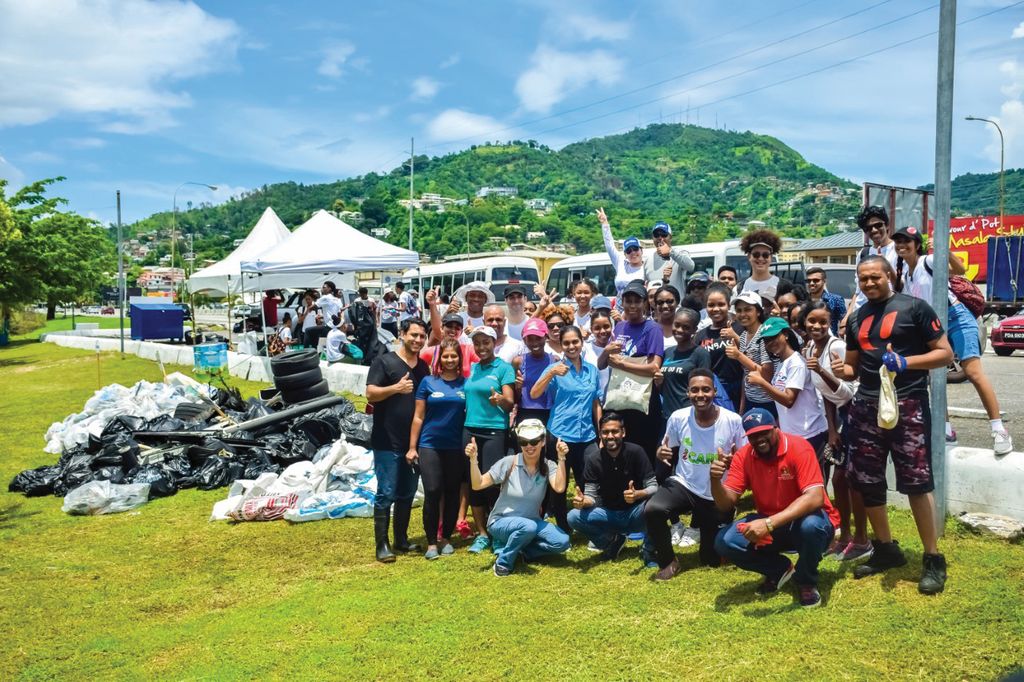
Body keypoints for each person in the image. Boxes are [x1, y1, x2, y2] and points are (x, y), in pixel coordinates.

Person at [833, 255, 953, 594]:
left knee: (916, 482)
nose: (869, 283)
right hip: (866, 406)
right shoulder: (857, 319)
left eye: (875, 276)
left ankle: (933, 557)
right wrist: (840, 370)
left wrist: (906, 361)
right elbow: (853, 368)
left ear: (889, 275)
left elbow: (945, 353)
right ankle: (886, 549)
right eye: (863, 278)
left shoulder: (915, 308)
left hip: (908, 403)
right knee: (868, 481)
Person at [892, 225, 1012, 454]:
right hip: (933, 329)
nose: (901, 245)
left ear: (917, 245)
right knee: (935, 379)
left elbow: (960, 270)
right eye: (898, 241)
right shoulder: (905, 274)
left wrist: (944, 250)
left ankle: (999, 430)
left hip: (957, 317)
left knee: (973, 372)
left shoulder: (928, 261)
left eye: (907, 241)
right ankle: (946, 431)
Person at [711, 408, 839, 607]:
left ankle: (806, 580)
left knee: (811, 527)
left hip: (806, 519)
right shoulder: (744, 456)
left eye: (764, 432)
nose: (759, 439)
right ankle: (779, 569)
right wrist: (715, 480)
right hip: (772, 522)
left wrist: (769, 523)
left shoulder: (800, 448)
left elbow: (815, 498)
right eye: (753, 436)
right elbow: (725, 504)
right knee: (725, 541)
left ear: (776, 428)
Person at [649, 370, 746, 580]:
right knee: (653, 509)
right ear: (688, 393)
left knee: (711, 560)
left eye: (705, 389)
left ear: (715, 391)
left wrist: (733, 462)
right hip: (685, 484)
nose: (700, 395)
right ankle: (668, 561)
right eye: (694, 390)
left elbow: (746, 457)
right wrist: (660, 452)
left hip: (717, 493)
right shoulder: (678, 417)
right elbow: (665, 447)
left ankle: (723, 526)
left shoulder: (733, 420)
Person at [799, 301, 869, 561]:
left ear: (830, 323)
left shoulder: (836, 347)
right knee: (838, 480)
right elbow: (826, 395)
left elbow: (846, 391)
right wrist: (831, 429)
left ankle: (861, 538)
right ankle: (845, 535)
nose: (816, 326)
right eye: (812, 321)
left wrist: (821, 370)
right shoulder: (809, 348)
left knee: (850, 479)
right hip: (840, 416)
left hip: (858, 412)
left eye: (822, 322)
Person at [467, 419, 570, 577]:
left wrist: (561, 458)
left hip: (532, 522)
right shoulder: (509, 462)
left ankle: (522, 552)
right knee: (528, 527)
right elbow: (478, 484)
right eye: (524, 442)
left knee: (562, 542)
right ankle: (503, 562)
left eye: (534, 441)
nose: (529, 446)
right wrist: (473, 460)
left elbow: (559, 487)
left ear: (543, 442)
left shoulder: (548, 465)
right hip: (501, 522)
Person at [366, 317, 431, 563]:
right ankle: (381, 545)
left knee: (407, 492)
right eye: (413, 335)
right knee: (386, 492)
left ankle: (401, 539)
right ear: (402, 334)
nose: (418, 340)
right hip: (387, 440)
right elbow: (370, 393)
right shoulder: (384, 362)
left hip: (413, 442)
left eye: (422, 336)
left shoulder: (423, 367)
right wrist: (395, 388)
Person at [529, 324, 602, 533]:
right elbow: (534, 393)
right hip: (560, 434)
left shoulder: (592, 370)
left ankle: (588, 522)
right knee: (559, 484)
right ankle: (562, 527)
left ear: (581, 342)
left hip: (587, 434)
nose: (571, 346)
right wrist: (551, 372)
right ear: (561, 345)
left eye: (575, 342)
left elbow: (596, 402)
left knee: (589, 480)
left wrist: (601, 433)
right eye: (566, 343)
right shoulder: (555, 368)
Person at [568, 412, 657, 563]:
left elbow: (654, 487)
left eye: (615, 431)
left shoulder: (636, 452)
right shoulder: (593, 459)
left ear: (623, 432)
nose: (610, 436)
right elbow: (591, 496)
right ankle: (612, 542)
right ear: (600, 434)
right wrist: (583, 502)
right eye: (605, 432)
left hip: (636, 513)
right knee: (573, 516)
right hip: (608, 515)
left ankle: (649, 550)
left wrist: (639, 494)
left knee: (658, 505)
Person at [407, 338, 466, 560]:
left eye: (454, 356)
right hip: (429, 444)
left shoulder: (465, 384)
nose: (450, 360)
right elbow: (418, 416)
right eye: (446, 356)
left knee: (452, 491)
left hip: (455, 447)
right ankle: (431, 542)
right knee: (432, 491)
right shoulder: (428, 382)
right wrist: (412, 447)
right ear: (439, 358)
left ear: (460, 358)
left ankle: (446, 538)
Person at [745, 318, 829, 467]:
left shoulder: (796, 363)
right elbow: (781, 404)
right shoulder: (783, 363)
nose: (770, 343)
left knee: (812, 480)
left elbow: (789, 400)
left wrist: (761, 382)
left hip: (810, 433)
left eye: (774, 337)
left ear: (786, 335)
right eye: (766, 340)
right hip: (794, 434)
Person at [463, 325, 516, 555]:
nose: (481, 347)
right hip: (470, 430)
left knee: (492, 483)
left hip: (494, 431)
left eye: (486, 342)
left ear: (494, 343)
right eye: (477, 343)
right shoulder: (473, 368)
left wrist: (500, 400)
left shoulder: (503, 368)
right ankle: (482, 533)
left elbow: (510, 403)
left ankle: (497, 533)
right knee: (474, 482)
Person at [597, 280, 665, 460]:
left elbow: (654, 367)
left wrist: (621, 364)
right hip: (620, 399)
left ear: (645, 303)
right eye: (628, 301)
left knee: (643, 452)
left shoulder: (653, 329)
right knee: (621, 452)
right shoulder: (620, 327)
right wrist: (606, 352)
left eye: (637, 301)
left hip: (642, 402)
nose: (632, 305)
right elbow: (602, 364)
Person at [723, 291, 777, 417]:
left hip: (767, 401)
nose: (743, 314)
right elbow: (746, 374)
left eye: (748, 310)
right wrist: (742, 408)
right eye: (739, 310)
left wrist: (739, 356)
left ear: (758, 312)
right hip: (750, 401)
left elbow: (767, 374)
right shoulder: (743, 336)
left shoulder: (765, 335)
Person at [844, 206, 899, 327]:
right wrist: (847, 316)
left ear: (887, 225)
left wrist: (886, 265)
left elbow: (902, 287)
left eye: (878, 225)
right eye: (868, 228)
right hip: (861, 315)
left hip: (888, 315)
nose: (874, 230)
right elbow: (858, 291)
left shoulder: (898, 250)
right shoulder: (863, 253)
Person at [695, 283, 744, 410]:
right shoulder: (700, 335)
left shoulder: (740, 328)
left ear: (728, 305)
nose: (716, 309)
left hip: (740, 388)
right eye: (711, 305)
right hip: (715, 391)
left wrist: (735, 337)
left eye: (721, 304)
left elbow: (751, 354)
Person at [655, 308, 711, 417]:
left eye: (686, 327)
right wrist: (659, 383)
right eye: (677, 325)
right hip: (668, 415)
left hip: (689, 415)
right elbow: (663, 389)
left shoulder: (701, 354)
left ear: (694, 330)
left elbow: (705, 387)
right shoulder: (667, 352)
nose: (679, 330)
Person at [597, 207, 646, 302]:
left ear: (641, 250)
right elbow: (609, 245)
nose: (633, 252)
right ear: (625, 254)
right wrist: (605, 223)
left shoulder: (646, 268)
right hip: (619, 309)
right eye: (629, 251)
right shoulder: (621, 263)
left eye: (635, 249)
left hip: (638, 309)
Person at [423, 306, 479, 378]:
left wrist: (476, 334)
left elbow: (486, 362)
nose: (453, 330)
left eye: (457, 328)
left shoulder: (468, 350)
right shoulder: (433, 351)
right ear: (442, 328)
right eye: (449, 326)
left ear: (461, 332)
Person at [643, 221, 695, 295]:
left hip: (678, 302)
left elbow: (691, 266)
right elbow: (645, 285)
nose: (660, 238)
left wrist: (670, 252)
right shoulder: (648, 260)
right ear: (653, 238)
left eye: (664, 235)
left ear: (670, 237)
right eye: (656, 235)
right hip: (656, 302)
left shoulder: (680, 253)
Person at [738, 229, 783, 297]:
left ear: (771, 257)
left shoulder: (784, 286)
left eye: (765, 255)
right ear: (749, 256)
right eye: (756, 255)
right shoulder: (739, 288)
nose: (761, 258)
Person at [582, 309, 614, 400]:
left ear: (611, 326)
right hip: (593, 402)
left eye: (606, 326)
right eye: (597, 328)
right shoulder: (585, 349)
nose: (603, 331)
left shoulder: (617, 348)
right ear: (591, 329)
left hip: (615, 402)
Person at [805, 266, 847, 336]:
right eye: (808, 281)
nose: (811, 283)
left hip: (829, 339)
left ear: (824, 281)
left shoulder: (836, 299)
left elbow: (844, 322)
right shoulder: (803, 300)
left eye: (816, 280)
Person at [304, 281, 344, 348]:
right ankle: (315, 350)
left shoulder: (325, 297)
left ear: (329, 289)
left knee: (307, 331)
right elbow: (338, 312)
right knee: (322, 343)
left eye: (324, 287)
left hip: (328, 326)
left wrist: (308, 308)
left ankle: (306, 351)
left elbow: (313, 307)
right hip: (336, 326)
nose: (322, 288)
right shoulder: (336, 300)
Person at [652, 285, 681, 353]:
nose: (665, 306)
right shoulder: (650, 328)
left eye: (669, 301)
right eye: (660, 302)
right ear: (656, 305)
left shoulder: (685, 328)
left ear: (677, 302)